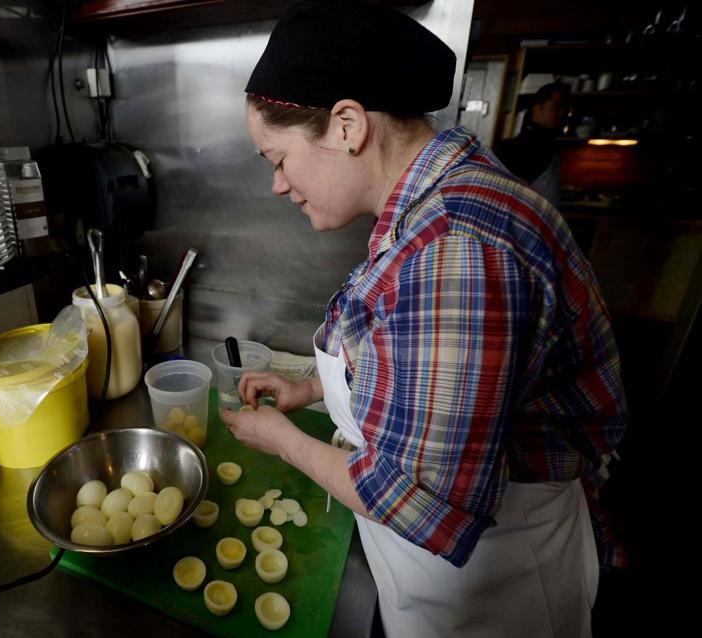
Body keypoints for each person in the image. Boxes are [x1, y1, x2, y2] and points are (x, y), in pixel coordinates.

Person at [218, 2, 626, 637]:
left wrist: (283, 440)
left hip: (493, 593)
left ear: (347, 125)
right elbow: (428, 369)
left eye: (276, 157)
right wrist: (314, 390)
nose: (278, 183)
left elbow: (419, 502)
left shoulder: (455, 246)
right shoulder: (441, 202)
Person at [495, 82, 571, 208]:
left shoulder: (546, 142)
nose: (562, 113)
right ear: (537, 107)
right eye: (556, 106)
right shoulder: (528, 144)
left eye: (565, 108)